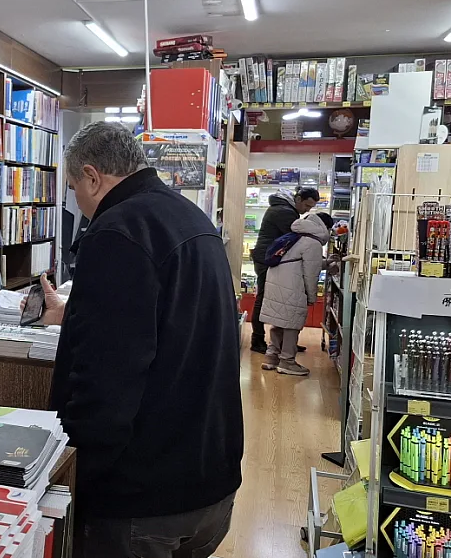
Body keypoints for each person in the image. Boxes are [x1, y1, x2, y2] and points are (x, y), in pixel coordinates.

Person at [38, 122, 243, 558]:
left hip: (142, 499)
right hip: (210, 479)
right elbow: (172, 325)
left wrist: (72, 475)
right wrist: (75, 317)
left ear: (92, 177)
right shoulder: (190, 216)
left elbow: (107, 381)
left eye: (74, 186)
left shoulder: (116, 232)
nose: (76, 200)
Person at [259, 212, 334, 376]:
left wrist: (326, 264)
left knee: (279, 321)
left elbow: (300, 261)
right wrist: (312, 296)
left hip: (275, 282)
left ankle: (271, 357)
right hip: (293, 285)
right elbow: (310, 273)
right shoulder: (313, 243)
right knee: (292, 324)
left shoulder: (296, 236)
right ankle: (287, 361)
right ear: (325, 227)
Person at [249, 186, 321, 353]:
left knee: (278, 299)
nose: (306, 210)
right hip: (267, 259)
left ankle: (282, 342)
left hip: (269, 258)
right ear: (298, 200)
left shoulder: (283, 208)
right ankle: (258, 340)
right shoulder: (285, 212)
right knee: (265, 299)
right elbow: (298, 235)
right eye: (306, 206)